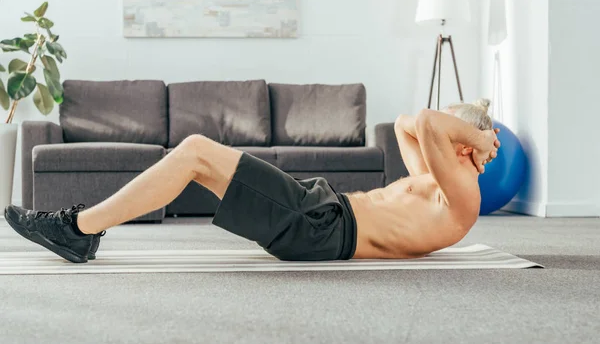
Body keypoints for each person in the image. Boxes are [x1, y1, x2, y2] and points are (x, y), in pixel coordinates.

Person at [4, 99, 500, 263]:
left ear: (462, 146)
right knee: (196, 156)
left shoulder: (463, 196)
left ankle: (78, 228)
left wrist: (478, 138)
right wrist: (473, 133)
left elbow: (431, 122)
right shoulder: (437, 184)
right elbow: (406, 125)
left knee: (196, 150)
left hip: (320, 225)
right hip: (319, 213)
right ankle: (81, 229)